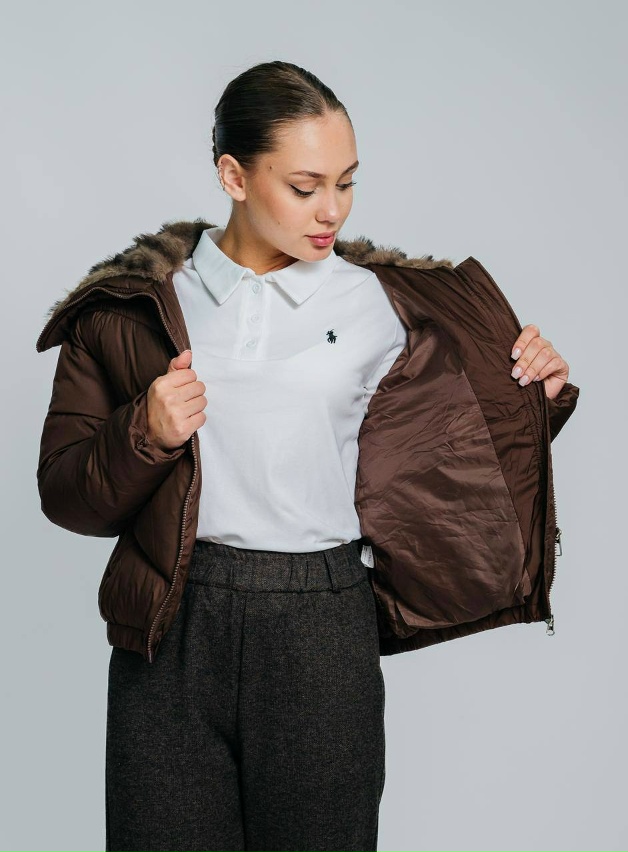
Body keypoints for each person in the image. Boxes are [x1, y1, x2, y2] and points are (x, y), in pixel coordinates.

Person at [35, 60, 579, 852]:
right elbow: (64, 492)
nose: (332, 210)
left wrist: (538, 393)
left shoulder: (381, 300)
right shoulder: (135, 305)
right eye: (305, 186)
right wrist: (144, 431)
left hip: (321, 622)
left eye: (347, 183)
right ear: (234, 176)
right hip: (172, 623)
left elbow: (451, 447)